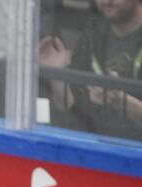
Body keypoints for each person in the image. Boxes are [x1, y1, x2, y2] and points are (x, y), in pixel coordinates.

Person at [39, 0, 142, 139]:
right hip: (92, 148)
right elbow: (73, 109)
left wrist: (124, 103)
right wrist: (57, 75)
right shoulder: (94, 31)